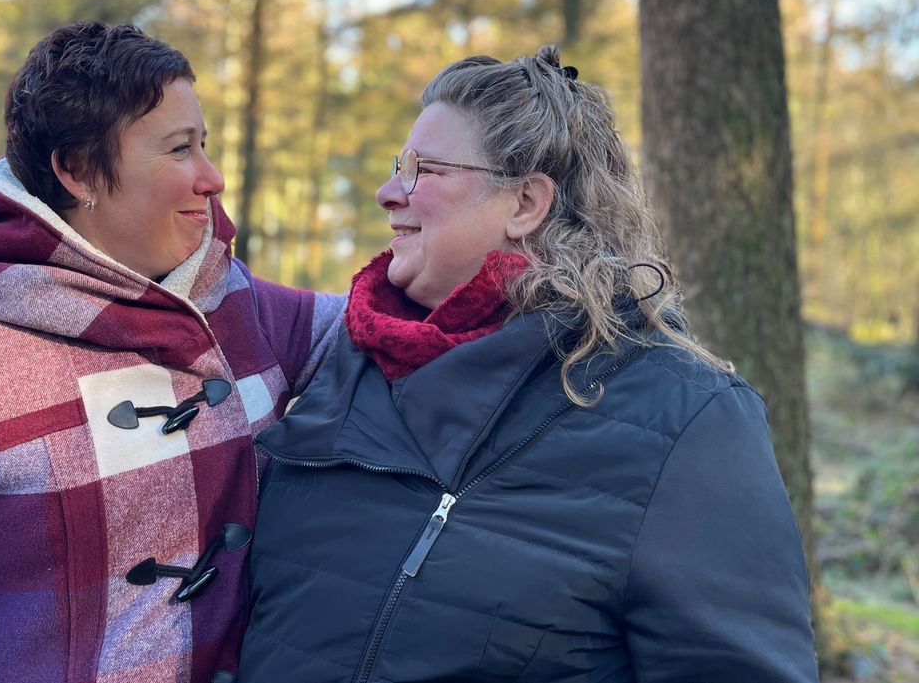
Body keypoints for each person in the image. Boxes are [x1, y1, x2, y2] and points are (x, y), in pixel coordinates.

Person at [239, 47, 819, 682]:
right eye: (396, 167)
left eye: (422, 170)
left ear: (525, 204)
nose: (387, 193)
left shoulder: (689, 418)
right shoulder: (341, 360)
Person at [0, 21, 342, 683]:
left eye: (204, 145)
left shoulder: (240, 304)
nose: (212, 177)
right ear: (77, 169)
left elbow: (389, 326)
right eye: (179, 149)